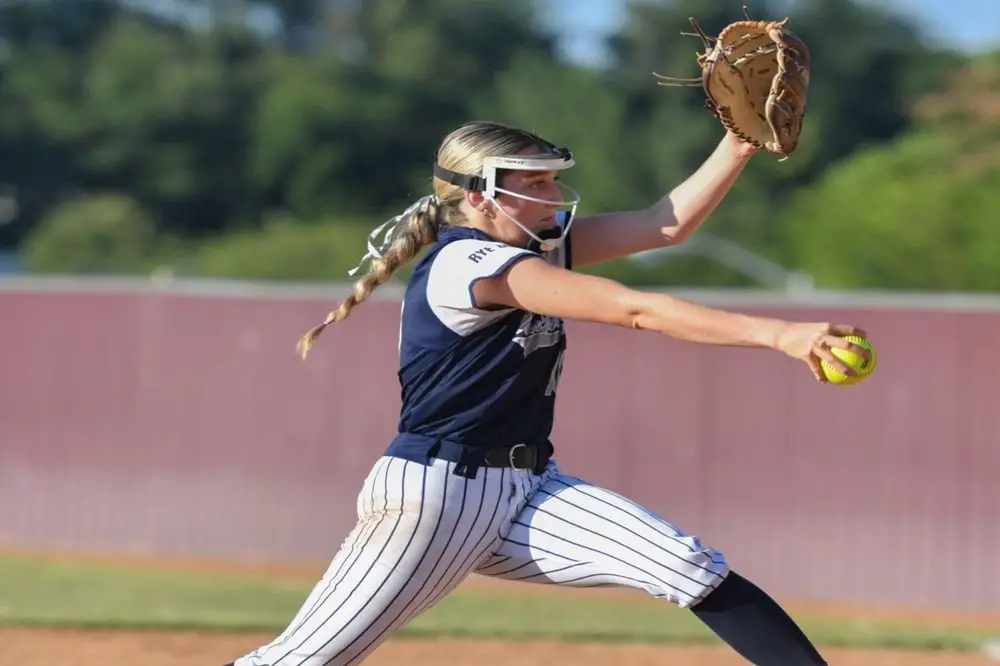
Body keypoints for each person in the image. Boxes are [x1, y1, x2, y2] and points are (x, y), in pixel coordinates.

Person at [227, 120, 868, 666]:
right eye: (533, 184)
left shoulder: (535, 251)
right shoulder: (468, 265)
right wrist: (779, 333)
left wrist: (738, 144)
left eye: (551, 180)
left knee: (688, 566)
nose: (553, 196)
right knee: (301, 660)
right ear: (479, 199)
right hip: (437, 494)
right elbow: (635, 310)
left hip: (528, 486)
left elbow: (661, 227)